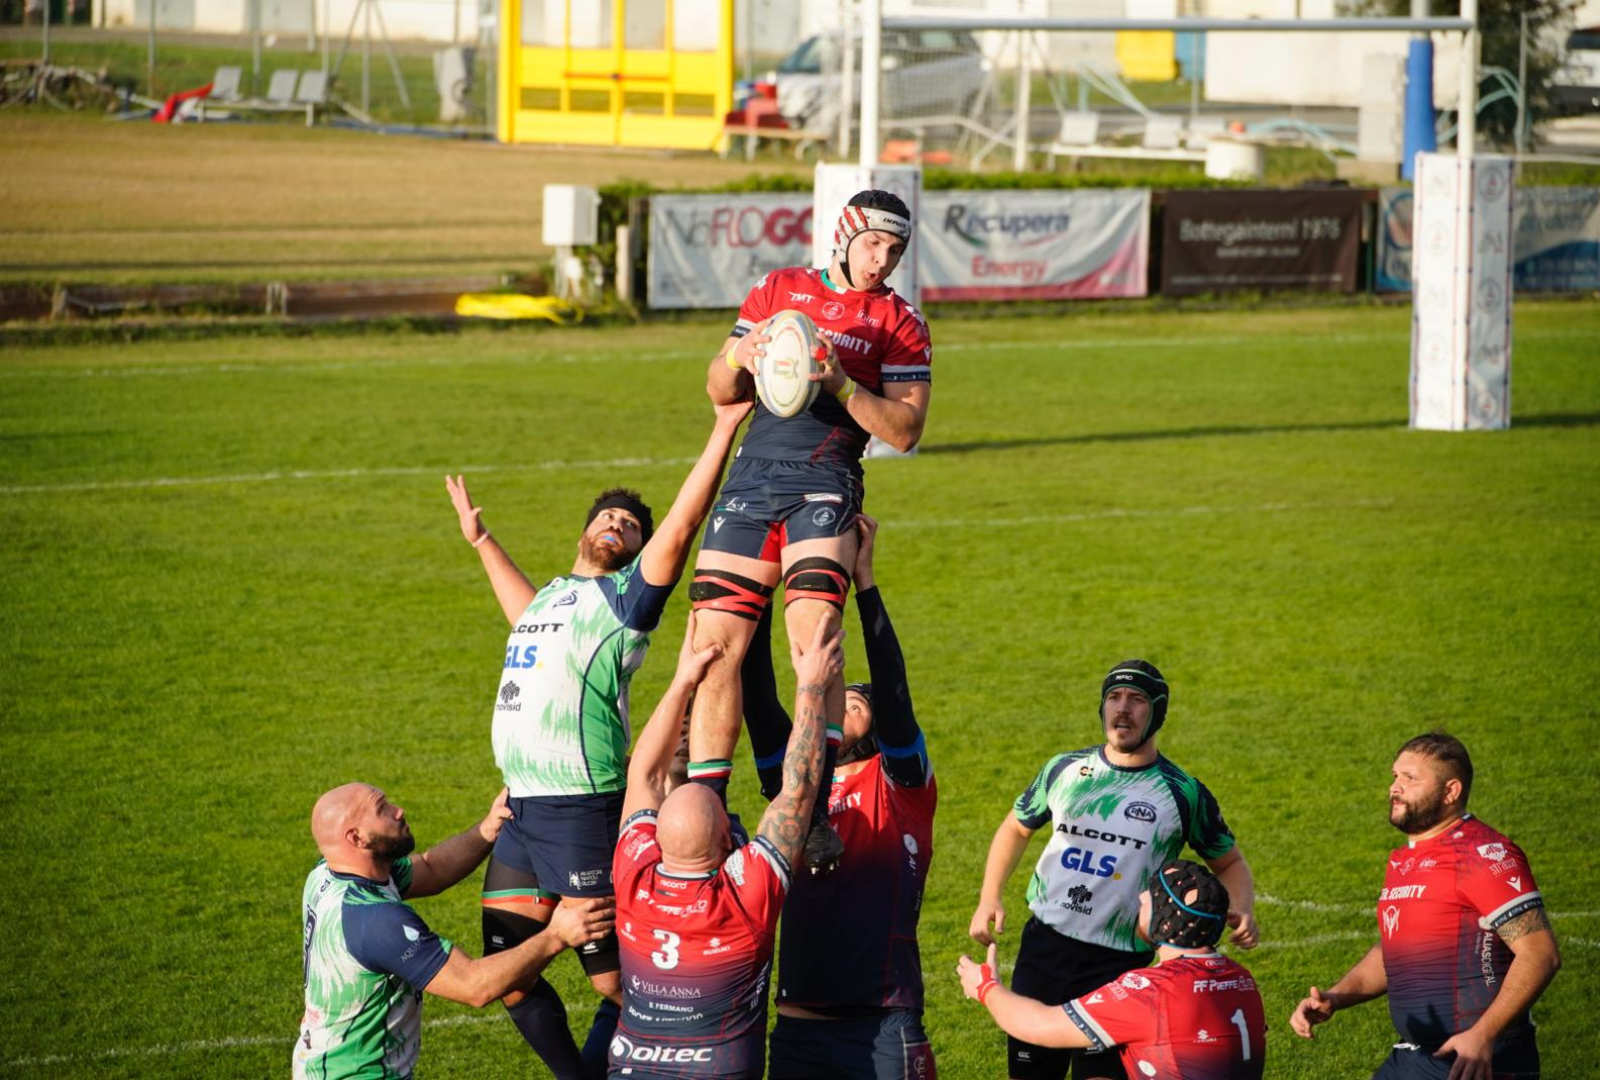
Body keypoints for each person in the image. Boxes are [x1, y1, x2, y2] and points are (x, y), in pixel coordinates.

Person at [443, 400, 749, 1080]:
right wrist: (480, 540)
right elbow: (523, 614)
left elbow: (682, 524)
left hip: (582, 807)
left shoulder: (625, 603)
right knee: (511, 973)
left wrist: (724, 428)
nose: (618, 523)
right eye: (608, 516)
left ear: (635, 554)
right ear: (584, 531)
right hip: (522, 810)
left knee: (614, 984)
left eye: (630, 526)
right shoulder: (554, 598)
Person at [684, 189, 933, 872]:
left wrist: (844, 384)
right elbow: (717, 386)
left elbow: (907, 431)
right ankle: (705, 801)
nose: (882, 260)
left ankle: (811, 808)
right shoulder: (779, 288)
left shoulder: (900, 321)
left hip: (825, 479)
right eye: (874, 243)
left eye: (895, 250)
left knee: (814, 640)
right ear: (845, 235)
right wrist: (744, 355)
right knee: (714, 647)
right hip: (754, 472)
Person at [968, 660, 1258, 1080]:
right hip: (1046, 950)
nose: (1122, 709)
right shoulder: (1064, 770)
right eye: (1113, 698)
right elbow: (1016, 826)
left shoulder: (1182, 793)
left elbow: (1229, 861)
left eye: (1137, 700)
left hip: (1122, 966)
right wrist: (989, 895)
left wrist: (1243, 906)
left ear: (1156, 712)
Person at [729, 514, 937, 1079]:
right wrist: (761, 585)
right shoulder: (796, 785)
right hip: (798, 1026)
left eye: (857, 699)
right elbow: (759, 698)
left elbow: (894, 692)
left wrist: (864, 583)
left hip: (884, 1020)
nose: (846, 699)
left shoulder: (902, 787)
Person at [608, 614, 845, 1078]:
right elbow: (797, 788)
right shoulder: (744, 898)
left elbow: (645, 775)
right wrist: (813, 686)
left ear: (655, 840)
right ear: (726, 843)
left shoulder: (632, 875)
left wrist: (682, 683)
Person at [294, 783, 614, 1080]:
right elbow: (474, 985)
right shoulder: (376, 920)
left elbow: (432, 869)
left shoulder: (330, 875)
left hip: (322, 1063)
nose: (398, 810)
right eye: (382, 810)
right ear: (356, 838)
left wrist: (487, 830)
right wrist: (555, 936)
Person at [1289, 732, 1561, 1080]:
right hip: (1414, 1058)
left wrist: (1483, 1035)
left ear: (1451, 792)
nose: (1395, 788)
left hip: (1475, 1062)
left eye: (1411, 778)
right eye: (1395, 776)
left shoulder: (1483, 854)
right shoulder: (1405, 860)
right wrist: (1335, 996)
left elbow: (1540, 954)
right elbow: (1397, 951)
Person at [957, 859, 1267, 1080]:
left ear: (1166, 922)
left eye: (1148, 902)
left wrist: (985, 988)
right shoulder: (1241, 979)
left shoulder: (1150, 993)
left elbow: (1038, 1026)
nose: (1139, 901)